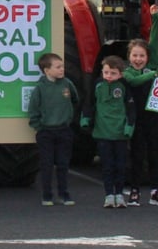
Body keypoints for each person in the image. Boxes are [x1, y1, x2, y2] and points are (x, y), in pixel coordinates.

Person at [124, 7, 158, 207]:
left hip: (153, 118)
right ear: (129, 57)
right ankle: (134, 191)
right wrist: (152, 75)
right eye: (135, 55)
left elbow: (154, 42)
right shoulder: (128, 73)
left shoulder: (153, 65)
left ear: (148, 57)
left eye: (142, 56)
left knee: (154, 155)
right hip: (136, 120)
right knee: (136, 155)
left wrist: (156, 18)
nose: (138, 59)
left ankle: (155, 191)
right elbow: (135, 82)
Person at [82, 55, 134, 208]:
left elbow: (131, 109)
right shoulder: (97, 85)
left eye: (113, 73)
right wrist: (85, 119)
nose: (109, 76)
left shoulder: (124, 87)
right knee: (107, 165)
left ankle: (119, 194)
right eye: (106, 72)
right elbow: (89, 103)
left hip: (120, 133)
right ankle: (109, 195)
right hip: (102, 132)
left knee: (120, 165)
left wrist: (129, 126)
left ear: (120, 74)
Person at [28, 52, 78, 206]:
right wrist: (39, 127)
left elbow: (75, 100)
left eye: (62, 66)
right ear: (46, 70)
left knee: (63, 164)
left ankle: (64, 194)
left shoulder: (67, 84)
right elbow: (33, 110)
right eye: (58, 67)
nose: (62, 69)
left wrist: (68, 118)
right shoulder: (40, 89)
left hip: (64, 130)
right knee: (47, 164)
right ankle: (47, 195)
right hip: (46, 132)